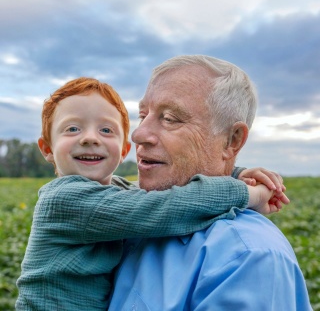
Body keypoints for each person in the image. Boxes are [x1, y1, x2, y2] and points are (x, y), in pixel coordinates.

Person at [16, 77, 288, 310]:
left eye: (106, 130)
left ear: (123, 150)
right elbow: (167, 206)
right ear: (47, 148)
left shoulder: (117, 191)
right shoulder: (64, 200)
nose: (90, 138)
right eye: (72, 128)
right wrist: (250, 194)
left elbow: (169, 188)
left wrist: (234, 172)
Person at [108, 55, 312, 310]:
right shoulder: (125, 211)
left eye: (170, 118)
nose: (138, 135)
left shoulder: (245, 258)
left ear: (232, 140)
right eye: (143, 115)